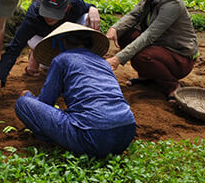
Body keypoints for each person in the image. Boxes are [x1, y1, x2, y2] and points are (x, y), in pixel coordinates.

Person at [14, 22, 136, 157]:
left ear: (63, 41)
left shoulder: (61, 59)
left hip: (92, 135)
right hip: (127, 132)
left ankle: (51, 139)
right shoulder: (102, 62)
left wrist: (29, 96)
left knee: (23, 103)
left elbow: (46, 101)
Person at [0, 0, 101, 105]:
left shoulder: (74, 4)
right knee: (48, 65)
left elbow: (87, 6)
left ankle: (83, 63)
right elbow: (13, 49)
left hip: (66, 34)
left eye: (54, 13)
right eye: (46, 11)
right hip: (42, 38)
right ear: (41, 4)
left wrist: (93, 9)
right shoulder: (34, 17)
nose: (48, 17)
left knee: (87, 19)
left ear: (67, 8)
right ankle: (35, 55)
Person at [105, 0, 199, 102]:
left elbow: (149, 36)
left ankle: (172, 85)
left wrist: (117, 59)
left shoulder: (172, 4)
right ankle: (148, 77)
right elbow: (135, 14)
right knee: (125, 33)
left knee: (142, 57)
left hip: (180, 57)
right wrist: (115, 28)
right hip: (160, 47)